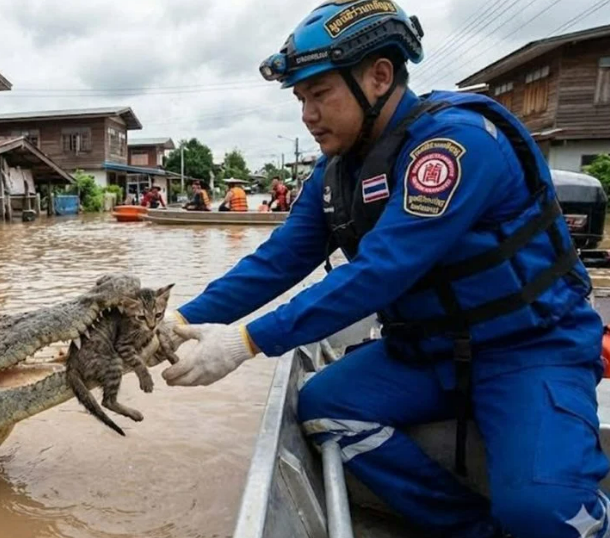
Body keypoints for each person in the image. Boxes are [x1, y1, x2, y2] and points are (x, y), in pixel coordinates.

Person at [158, 3, 609, 538]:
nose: (307, 114)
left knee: (544, 516)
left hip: (527, 348)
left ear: (378, 76)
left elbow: (381, 271)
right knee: (324, 406)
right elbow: (278, 260)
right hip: (427, 352)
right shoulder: (336, 172)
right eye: (301, 98)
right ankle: (469, 529)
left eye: (319, 93)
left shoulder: (452, 146)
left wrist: (247, 342)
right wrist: (177, 321)